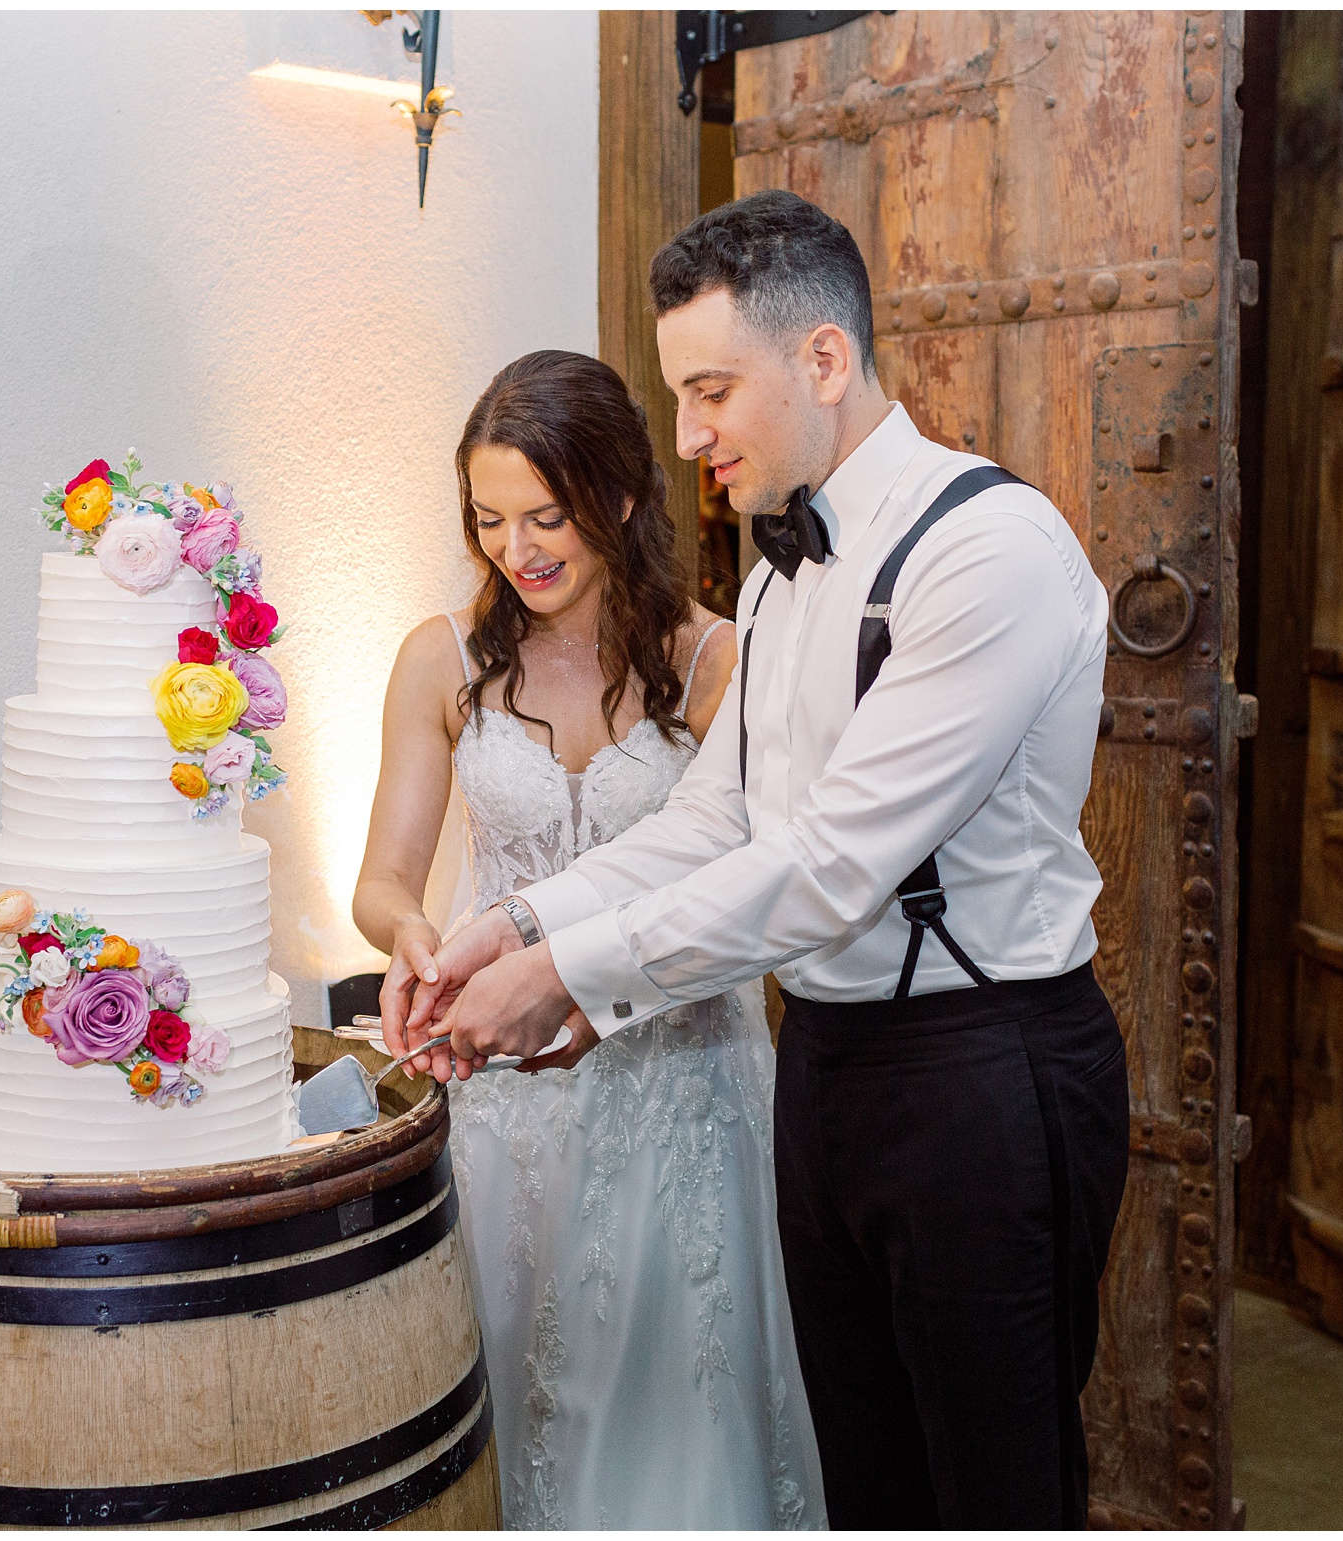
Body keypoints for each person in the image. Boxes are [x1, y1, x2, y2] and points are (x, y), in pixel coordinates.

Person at [402, 192, 1131, 1528]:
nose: (687, 438)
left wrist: (568, 972)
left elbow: (828, 866)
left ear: (826, 362)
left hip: (983, 1069)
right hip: (833, 1064)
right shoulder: (784, 574)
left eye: (711, 392)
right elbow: (711, 823)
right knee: (865, 1473)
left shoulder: (991, 552)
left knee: (993, 1483)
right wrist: (507, 929)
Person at [354, 348, 824, 1529]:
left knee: (677, 1408)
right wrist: (413, 933)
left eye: (546, 513)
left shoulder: (716, 665)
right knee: (506, 1384)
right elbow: (381, 881)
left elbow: (758, 879)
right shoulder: (442, 660)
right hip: (500, 1096)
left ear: (617, 495)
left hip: (681, 1085)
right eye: (490, 519)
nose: (519, 548)